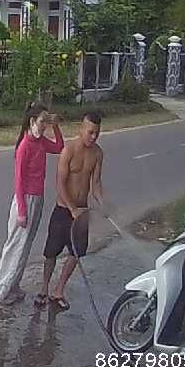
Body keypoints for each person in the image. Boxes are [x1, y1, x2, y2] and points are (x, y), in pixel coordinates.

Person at [0, 102, 66, 304]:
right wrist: (22, 211)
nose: (44, 126)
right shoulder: (25, 146)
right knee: (15, 247)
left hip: (37, 199)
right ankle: (1, 290)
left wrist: (56, 126)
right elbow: (19, 181)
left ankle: (13, 285)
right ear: (32, 121)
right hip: (25, 200)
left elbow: (59, 147)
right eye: (42, 121)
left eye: (46, 122)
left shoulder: (40, 142)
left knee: (24, 247)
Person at [38, 109, 106, 311]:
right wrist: (72, 208)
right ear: (81, 129)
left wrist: (102, 203)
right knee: (51, 252)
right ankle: (44, 288)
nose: (93, 137)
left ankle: (58, 290)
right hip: (63, 209)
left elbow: (96, 183)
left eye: (96, 133)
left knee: (77, 253)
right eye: (90, 132)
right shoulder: (68, 150)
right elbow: (60, 184)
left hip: (82, 212)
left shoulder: (98, 153)